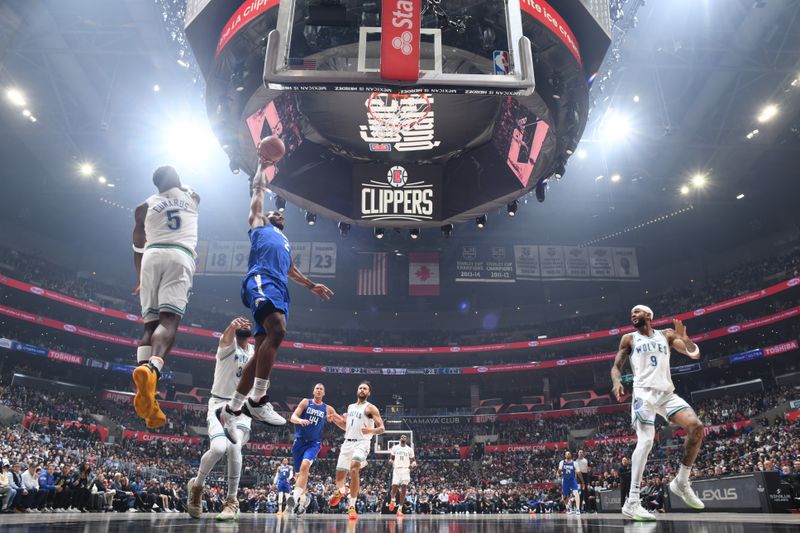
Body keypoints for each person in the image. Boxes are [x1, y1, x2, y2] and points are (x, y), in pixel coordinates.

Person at [217, 158, 334, 441]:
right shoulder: (259, 226)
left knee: (260, 353)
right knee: (278, 330)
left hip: (280, 288)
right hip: (261, 280)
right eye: (276, 211)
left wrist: (310, 285)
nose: (280, 214)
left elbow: (291, 269)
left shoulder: (284, 241)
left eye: (282, 214)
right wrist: (261, 165)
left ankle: (231, 410)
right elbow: (257, 191)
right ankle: (258, 399)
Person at [611, 305, 705, 521]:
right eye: (631, 312)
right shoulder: (629, 338)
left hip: (666, 394)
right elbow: (617, 366)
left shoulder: (667, 335)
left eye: (637, 312)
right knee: (645, 442)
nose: (633, 314)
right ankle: (632, 502)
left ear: (649, 315)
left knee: (696, 427)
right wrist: (616, 381)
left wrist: (686, 338)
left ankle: (681, 482)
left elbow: (694, 353)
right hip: (643, 394)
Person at [131, 165, 200, 429]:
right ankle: (153, 369)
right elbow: (185, 188)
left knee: (149, 325)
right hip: (179, 254)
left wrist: (139, 278)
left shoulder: (143, 207)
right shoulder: (192, 196)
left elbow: (137, 246)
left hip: (151, 256)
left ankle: (147, 394)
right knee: (169, 320)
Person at [187, 316, 254, 521]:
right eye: (240, 324)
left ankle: (231, 501)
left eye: (247, 324)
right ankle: (197, 486)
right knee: (218, 449)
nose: (244, 325)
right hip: (218, 404)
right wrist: (231, 326)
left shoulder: (254, 352)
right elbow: (225, 339)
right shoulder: (228, 345)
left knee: (234, 446)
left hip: (242, 407)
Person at [328, 381, 385, 520]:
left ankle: (352, 506)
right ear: (357, 391)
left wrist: (370, 430)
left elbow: (382, 428)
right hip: (347, 443)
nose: (362, 390)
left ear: (368, 393)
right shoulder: (351, 407)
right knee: (339, 479)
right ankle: (342, 491)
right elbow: (345, 426)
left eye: (365, 388)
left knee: (354, 468)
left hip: (362, 442)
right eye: (360, 387)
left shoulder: (371, 408)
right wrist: (334, 420)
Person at [287, 383, 341, 515]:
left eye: (321, 389)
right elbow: (293, 417)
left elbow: (339, 420)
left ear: (324, 393)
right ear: (313, 391)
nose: (318, 390)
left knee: (305, 466)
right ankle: (303, 501)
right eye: (317, 388)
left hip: (314, 443)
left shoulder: (327, 408)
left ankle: (293, 499)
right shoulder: (306, 402)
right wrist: (300, 421)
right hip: (299, 442)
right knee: (300, 475)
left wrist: (332, 418)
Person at [388, 434, 416, 517]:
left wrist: (412, 465)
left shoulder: (409, 449)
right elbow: (391, 458)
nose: (403, 438)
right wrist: (391, 462)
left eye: (405, 437)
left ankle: (399, 509)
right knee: (394, 489)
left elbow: (414, 461)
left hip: (405, 470)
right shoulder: (395, 448)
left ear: (406, 439)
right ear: (400, 439)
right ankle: (392, 500)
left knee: (404, 489)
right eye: (402, 437)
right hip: (397, 469)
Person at [558, 451, 584, 515]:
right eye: (566, 454)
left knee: (576, 493)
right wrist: (559, 471)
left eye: (569, 453)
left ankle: (578, 509)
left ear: (571, 455)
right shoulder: (562, 462)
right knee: (564, 496)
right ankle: (568, 508)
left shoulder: (574, 463)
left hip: (572, 480)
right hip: (565, 480)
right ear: (565, 456)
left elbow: (578, 473)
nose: (568, 455)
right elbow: (559, 472)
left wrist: (582, 482)